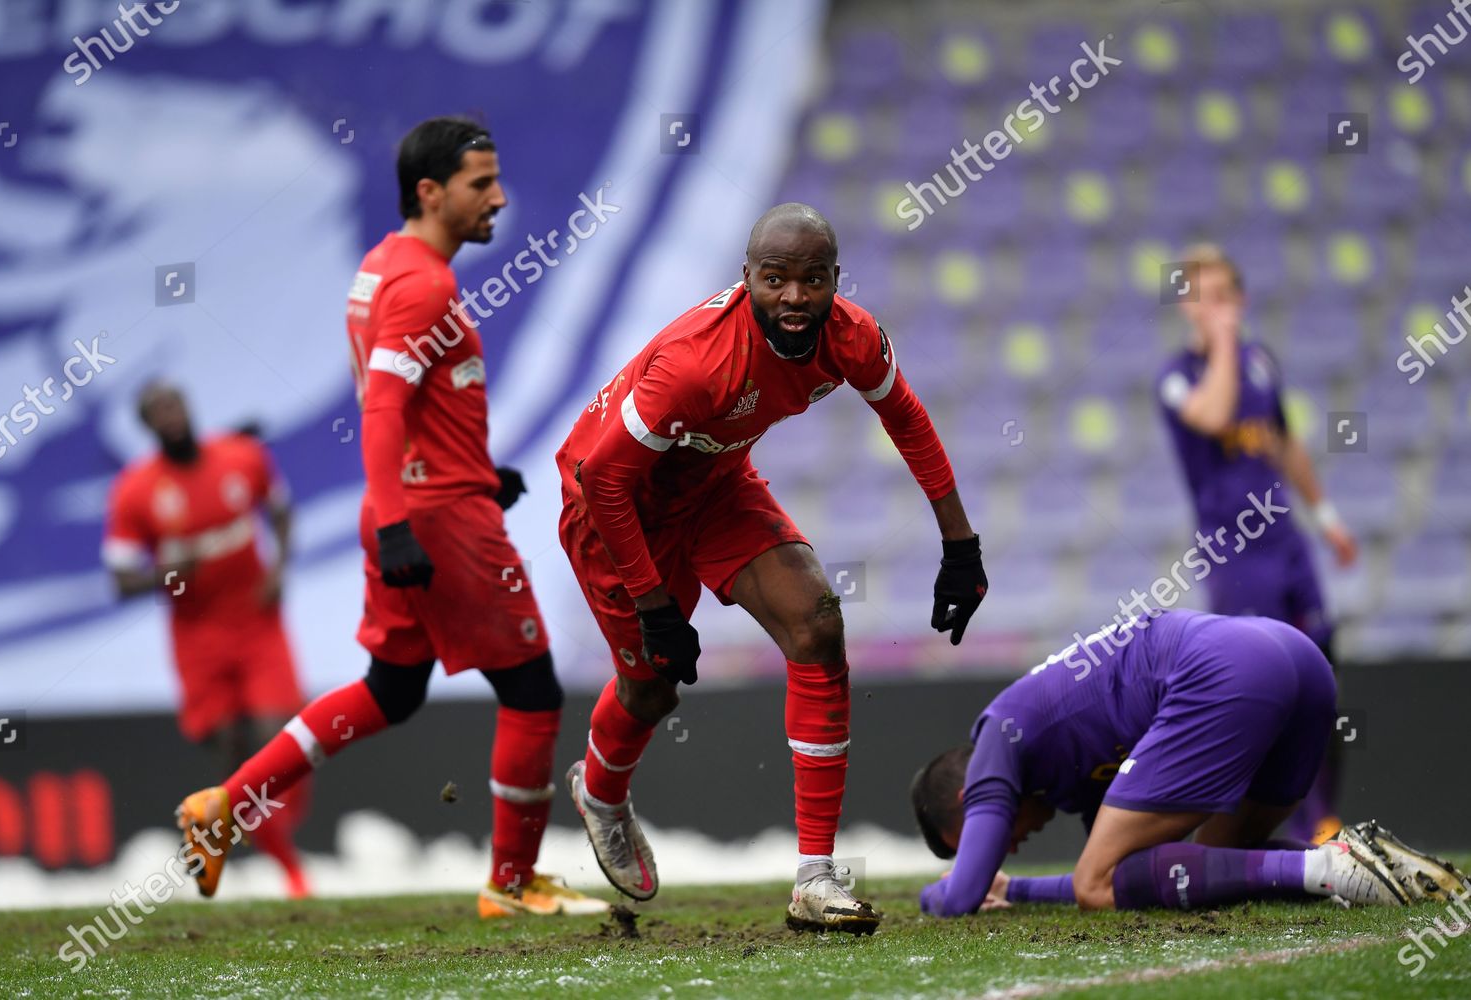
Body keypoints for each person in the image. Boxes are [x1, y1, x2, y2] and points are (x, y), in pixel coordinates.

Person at [175, 116, 605, 918]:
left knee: (391, 690)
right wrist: (419, 515)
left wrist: (473, 475)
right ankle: (510, 885)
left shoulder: (380, 266)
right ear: (430, 191)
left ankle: (225, 804)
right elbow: (380, 410)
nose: (499, 198)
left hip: (418, 502)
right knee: (534, 689)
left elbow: (402, 405)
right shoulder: (424, 285)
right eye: (482, 184)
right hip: (434, 521)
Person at [556, 202, 988, 934]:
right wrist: (656, 605)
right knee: (651, 690)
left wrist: (960, 545)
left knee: (818, 627)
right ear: (746, 278)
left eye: (812, 279)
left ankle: (815, 880)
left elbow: (907, 419)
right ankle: (601, 792)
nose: (794, 297)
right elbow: (603, 480)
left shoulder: (852, 337)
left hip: (716, 487)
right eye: (775, 279)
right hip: (615, 508)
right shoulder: (693, 365)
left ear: (834, 281)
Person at [911, 609, 1467, 917]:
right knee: (1213, 867)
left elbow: (963, 896)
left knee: (1096, 883)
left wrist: (937, 892)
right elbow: (1135, 876)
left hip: (1223, 671)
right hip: (1292, 657)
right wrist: (1016, 890)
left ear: (972, 798)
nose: (1001, 848)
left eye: (978, 841)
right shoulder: (1063, 771)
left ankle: (1326, 870)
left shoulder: (993, 737)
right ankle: (1368, 863)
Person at [1156, 244, 1357, 843]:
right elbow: (1216, 417)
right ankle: (1271, 827)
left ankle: (1325, 820)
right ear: (1189, 307)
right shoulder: (1176, 378)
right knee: (1266, 683)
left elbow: (1282, 440)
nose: (1217, 309)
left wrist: (1325, 515)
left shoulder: (1262, 361)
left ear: (1241, 299)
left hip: (1286, 542)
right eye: (1204, 298)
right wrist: (1222, 343)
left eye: (1225, 296)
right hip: (1233, 553)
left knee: (1322, 674)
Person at [105, 381, 311, 898]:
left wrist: (280, 567)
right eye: (157, 412)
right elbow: (120, 578)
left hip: (258, 623)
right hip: (197, 636)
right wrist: (164, 574)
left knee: (275, 736)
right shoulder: (136, 490)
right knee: (227, 751)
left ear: (190, 407)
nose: (170, 416)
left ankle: (289, 872)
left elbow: (282, 511)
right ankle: (222, 842)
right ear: (147, 426)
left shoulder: (242, 457)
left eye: (175, 404)